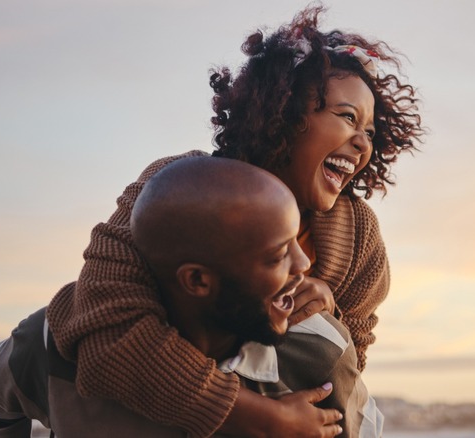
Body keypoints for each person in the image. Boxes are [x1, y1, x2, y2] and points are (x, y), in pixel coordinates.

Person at [46, 5, 423, 437]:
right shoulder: (176, 188)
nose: (362, 143)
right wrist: (253, 416)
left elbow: (346, 370)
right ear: (286, 114)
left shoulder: (359, 238)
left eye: (371, 132)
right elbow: (107, 332)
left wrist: (329, 311)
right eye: (347, 117)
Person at [0, 157, 382, 437]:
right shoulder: (56, 341)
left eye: (297, 240)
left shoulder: (321, 352)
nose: (303, 265)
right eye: (278, 254)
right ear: (197, 280)